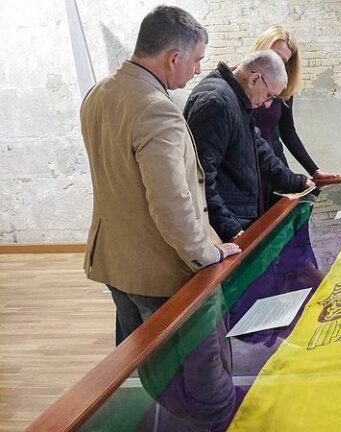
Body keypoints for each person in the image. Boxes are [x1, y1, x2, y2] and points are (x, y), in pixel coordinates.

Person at [80, 6, 240, 428]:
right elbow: (171, 203)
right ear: (173, 57)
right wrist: (208, 255)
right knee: (208, 388)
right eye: (196, 59)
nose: (198, 68)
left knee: (153, 371)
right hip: (164, 273)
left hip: (118, 264)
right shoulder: (157, 108)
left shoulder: (99, 93)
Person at [184, 50, 314, 242]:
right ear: (254, 79)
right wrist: (232, 230)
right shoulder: (217, 102)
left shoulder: (235, 97)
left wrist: (296, 181)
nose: (268, 104)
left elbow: (259, 149)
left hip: (238, 215)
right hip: (227, 223)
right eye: (269, 95)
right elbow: (201, 178)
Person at [250, 26, 339, 206]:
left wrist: (313, 170)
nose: (277, 63)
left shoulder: (283, 88)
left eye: (283, 60)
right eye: (272, 54)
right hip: (249, 169)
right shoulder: (240, 82)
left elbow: (288, 132)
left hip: (275, 166)